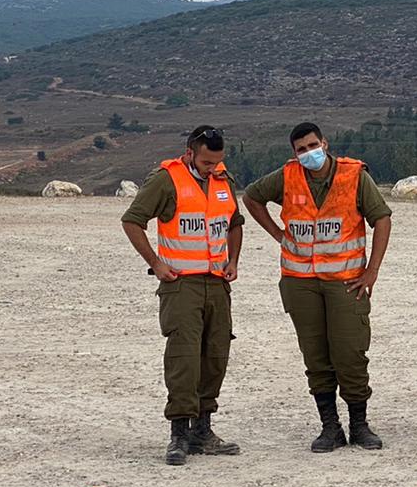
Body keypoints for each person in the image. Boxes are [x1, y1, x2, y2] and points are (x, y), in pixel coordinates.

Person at [242, 121, 392, 452]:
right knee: (316, 355)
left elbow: (381, 218)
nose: (309, 153)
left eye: (313, 145)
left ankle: (359, 424)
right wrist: (278, 235)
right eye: (301, 149)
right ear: (294, 153)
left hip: (346, 281)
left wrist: (372, 270)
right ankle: (330, 427)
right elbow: (252, 197)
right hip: (300, 281)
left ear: (325, 142)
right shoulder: (287, 176)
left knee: (350, 352)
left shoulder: (354, 176)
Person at [120, 125, 244, 465]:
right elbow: (132, 220)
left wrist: (233, 260)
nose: (211, 167)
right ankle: (178, 434)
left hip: (217, 283)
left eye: (216, 161)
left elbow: (234, 222)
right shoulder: (165, 180)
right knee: (184, 359)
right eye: (206, 161)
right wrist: (156, 263)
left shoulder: (223, 180)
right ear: (189, 153)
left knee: (215, 355)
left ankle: (203, 431)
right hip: (182, 285)